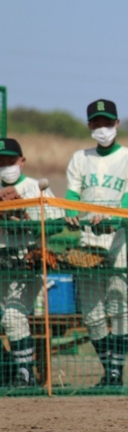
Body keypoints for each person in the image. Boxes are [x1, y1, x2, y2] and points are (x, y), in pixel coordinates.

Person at [65, 99, 128, 387]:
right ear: (89, 125)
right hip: (89, 240)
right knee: (92, 311)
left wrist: (113, 216)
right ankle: (109, 371)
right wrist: (71, 211)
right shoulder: (80, 158)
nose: (102, 128)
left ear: (117, 123)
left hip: (121, 239)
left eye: (107, 122)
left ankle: (116, 373)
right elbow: (72, 193)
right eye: (97, 123)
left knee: (119, 305)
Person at [0, 138, 63, 387]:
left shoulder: (35, 188)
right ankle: (8, 370)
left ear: (22, 161)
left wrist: (26, 219)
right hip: (1, 266)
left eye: (11, 160)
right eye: (1, 162)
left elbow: (58, 223)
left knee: (13, 317)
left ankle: (25, 376)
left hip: (26, 265)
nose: (6, 166)